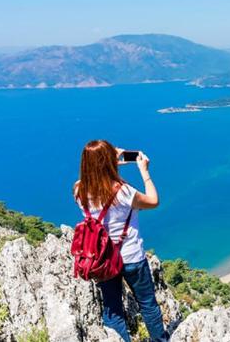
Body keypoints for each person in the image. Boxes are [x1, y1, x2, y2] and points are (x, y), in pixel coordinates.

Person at [73, 139, 168, 342]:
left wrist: (108, 163)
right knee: (147, 304)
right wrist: (144, 171)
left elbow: (96, 185)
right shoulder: (123, 191)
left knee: (113, 311)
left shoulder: (79, 191)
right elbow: (153, 201)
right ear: (108, 161)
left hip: (103, 260)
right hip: (131, 256)